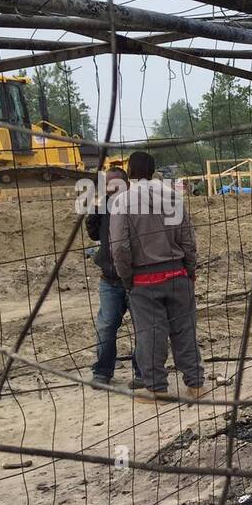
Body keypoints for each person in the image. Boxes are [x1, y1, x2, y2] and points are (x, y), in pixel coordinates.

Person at [110, 151, 205, 401]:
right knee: (185, 331)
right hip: (178, 274)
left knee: (150, 334)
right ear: (152, 171)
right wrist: (190, 271)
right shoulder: (173, 197)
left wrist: (127, 278)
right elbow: (188, 241)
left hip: (144, 279)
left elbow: (119, 247)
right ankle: (196, 385)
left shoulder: (123, 201)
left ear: (129, 172)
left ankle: (156, 388)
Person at [86, 164, 143, 388]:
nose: (109, 189)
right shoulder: (103, 209)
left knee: (143, 327)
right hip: (109, 280)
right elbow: (93, 235)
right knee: (106, 326)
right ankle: (102, 372)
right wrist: (93, 212)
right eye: (107, 185)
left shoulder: (139, 209)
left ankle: (142, 372)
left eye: (114, 185)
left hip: (137, 279)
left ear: (126, 185)